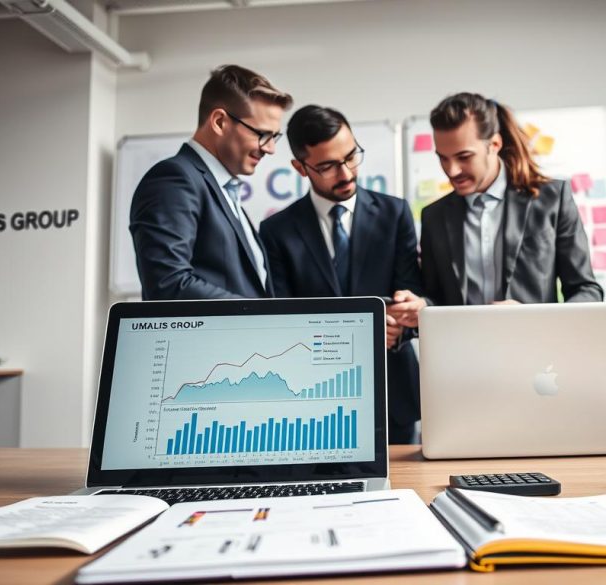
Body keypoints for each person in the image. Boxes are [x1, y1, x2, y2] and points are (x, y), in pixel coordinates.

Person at [260, 105, 423, 444]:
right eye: (328, 166)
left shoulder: (395, 214)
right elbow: (283, 317)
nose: (346, 173)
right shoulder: (276, 231)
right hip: (311, 397)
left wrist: (402, 322)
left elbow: (410, 294)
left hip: (393, 391)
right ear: (300, 168)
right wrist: (364, 331)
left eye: (351, 156)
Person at [389, 92, 603, 327]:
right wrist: (422, 307)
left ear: (494, 145)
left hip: (536, 352)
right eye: (443, 158)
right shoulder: (434, 216)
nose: (452, 171)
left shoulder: (552, 199)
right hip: (464, 357)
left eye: (464, 157)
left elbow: (587, 291)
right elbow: (437, 298)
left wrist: (536, 318)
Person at [130, 65, 293, 300]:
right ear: (219, 122)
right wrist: (259, 315)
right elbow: (168, 284)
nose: (270, 148)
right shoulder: (173, 179)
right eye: (262, 134)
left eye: (275, 137)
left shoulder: (223, 189)